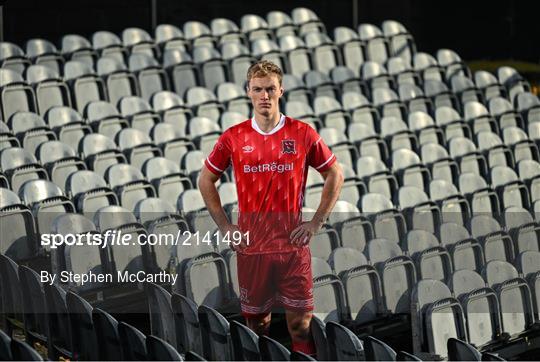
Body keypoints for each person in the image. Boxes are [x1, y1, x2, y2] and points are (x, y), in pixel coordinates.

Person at [198, 60, 343, 355]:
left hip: (292, 249)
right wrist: (227, 227)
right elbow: (205, 180)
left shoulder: (302, 133)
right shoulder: (234, 137)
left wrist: (316, 222)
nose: (264, 95)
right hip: (252, 250)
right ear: (248, 92)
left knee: (300, 326)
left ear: (281, 90)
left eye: (270, 89)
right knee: (257, 327)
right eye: (258, 89)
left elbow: (335, 174)